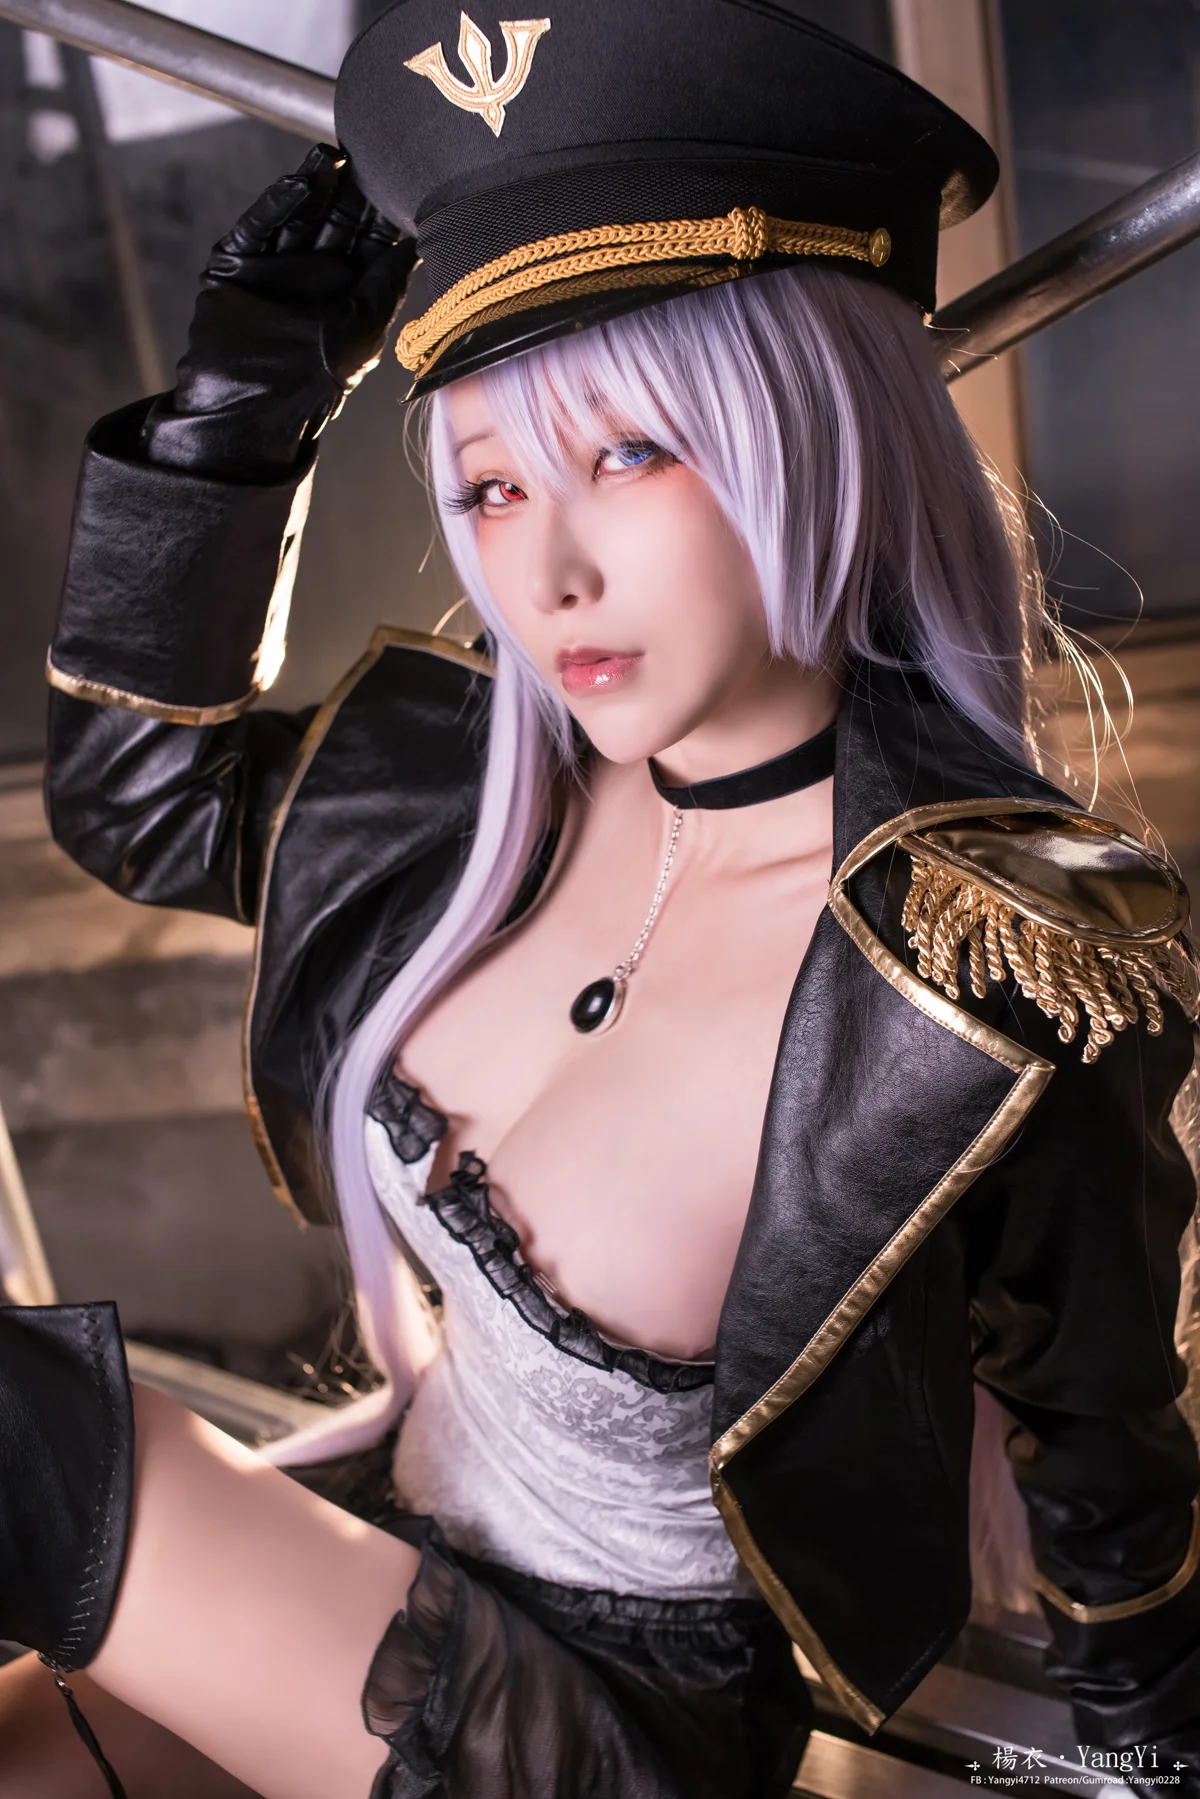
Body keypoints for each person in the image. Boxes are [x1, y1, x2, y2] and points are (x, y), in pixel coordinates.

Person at [2, 3, 1199, 1796]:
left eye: (631, 452)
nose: (545, 568)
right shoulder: (467, 811)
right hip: (373, 1573)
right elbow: (139, 803)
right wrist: (245, 407)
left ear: (817, 428)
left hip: (608, 1726)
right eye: (491, 483)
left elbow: (1103, 1441)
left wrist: (1157, 1752)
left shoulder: (994, 963)